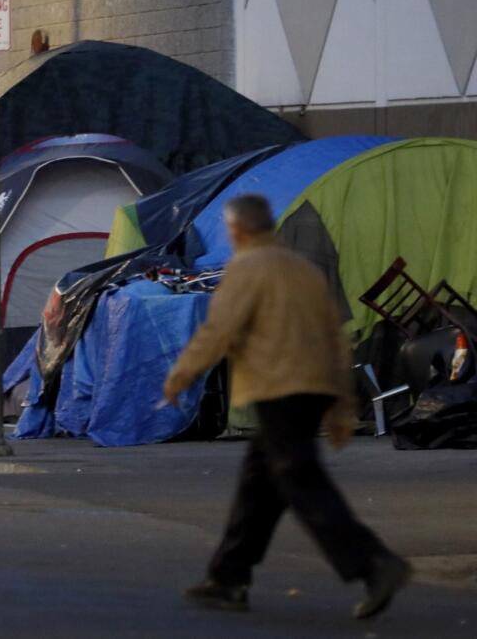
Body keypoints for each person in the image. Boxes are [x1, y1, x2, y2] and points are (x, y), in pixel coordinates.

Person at [163, 194, 410, 620]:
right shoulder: (303, 270)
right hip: (315, 387)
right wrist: (340, 406)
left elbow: (218, 330)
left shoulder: (246, 268)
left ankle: (372, 563)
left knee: (298, 479)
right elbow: (335, 336)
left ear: (237, 229)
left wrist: (180, 375)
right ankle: (228, 576)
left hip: (279, 388)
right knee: (261, 480)